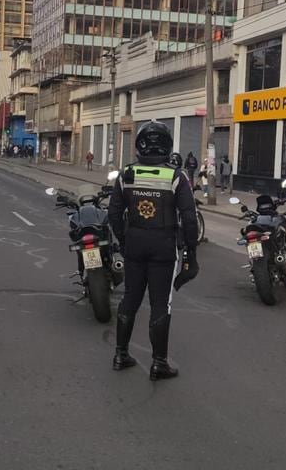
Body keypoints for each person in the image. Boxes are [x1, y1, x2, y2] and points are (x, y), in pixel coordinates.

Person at [109, 121, 199, 381]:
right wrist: (190, 252)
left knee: (130, 299)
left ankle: (120, 354)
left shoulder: (126, 174)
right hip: (163, 246)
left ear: (139, 145)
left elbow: (114, 213)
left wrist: (124, 240)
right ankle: (159, 363)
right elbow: (190, 219)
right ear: (168, 145)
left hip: (135, 243)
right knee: (161, 303)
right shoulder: (176, 176)